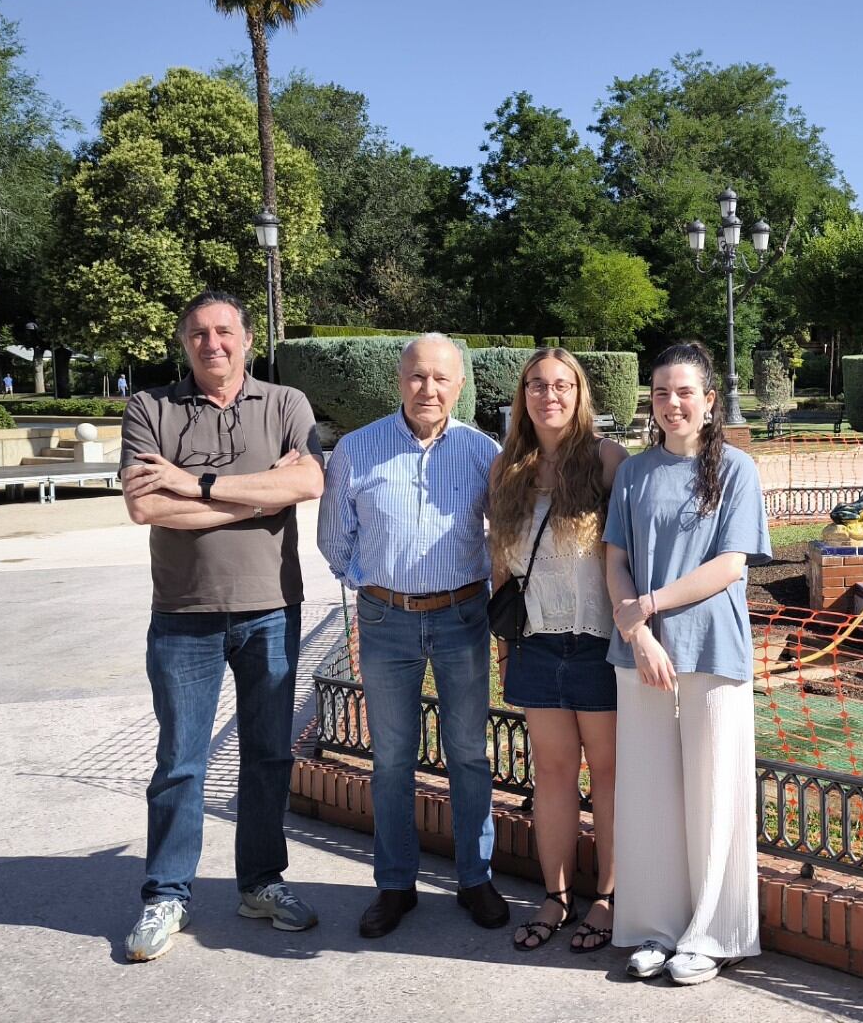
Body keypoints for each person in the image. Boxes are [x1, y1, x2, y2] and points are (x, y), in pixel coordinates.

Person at [117, 290, 326, 962]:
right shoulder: (149, 408)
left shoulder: (286, 403)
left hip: (271, 608)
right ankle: (166, 895)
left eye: (225, 331)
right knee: (181, 762)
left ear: (246, 337)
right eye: (199, 334)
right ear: (184, 343)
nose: (214, 343)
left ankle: (261, 883)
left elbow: (309, 483)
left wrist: (196, 486)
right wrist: (257, 491)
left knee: (267, 757)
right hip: (184, 614)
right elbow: (147, 510)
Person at [316, 333, 509, 939]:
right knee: (393, 757)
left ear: (460, 385)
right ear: (400, 381)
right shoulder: (357, 448)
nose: (429, 389)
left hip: (461, 616)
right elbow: (333, 537)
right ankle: (394, 884)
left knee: (469, 753)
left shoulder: (484, 452)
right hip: (385, 620)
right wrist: (373, 584)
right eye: (418, 377)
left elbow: (504, 535)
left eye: (442, 379)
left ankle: (475, 877)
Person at [605, 342, 773, 987]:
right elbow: (615, 557)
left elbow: (730, 564)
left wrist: (647, 605)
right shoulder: (635, 472)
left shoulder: (736, 469)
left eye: (684, 393)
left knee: (713, 792)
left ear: (709, 402)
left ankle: (713, 932)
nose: (671, 403)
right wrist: (639, 631)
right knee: (649, 796)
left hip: (712, 650)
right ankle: (654, 929)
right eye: (660, 392)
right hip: (640, 654)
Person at [488, 348, 627, 952]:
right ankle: (557, 894)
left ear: (579, 394)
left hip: (598, 643)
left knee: (611, 776)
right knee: (551, 774)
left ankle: (610, 897)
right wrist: (505, 644)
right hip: (537, 644)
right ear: (523, 395)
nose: (550, 395)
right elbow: (500, 563)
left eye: (562, 385)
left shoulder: (605, 460)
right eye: (538, 385)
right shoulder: (506, 469)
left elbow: (632, 549)